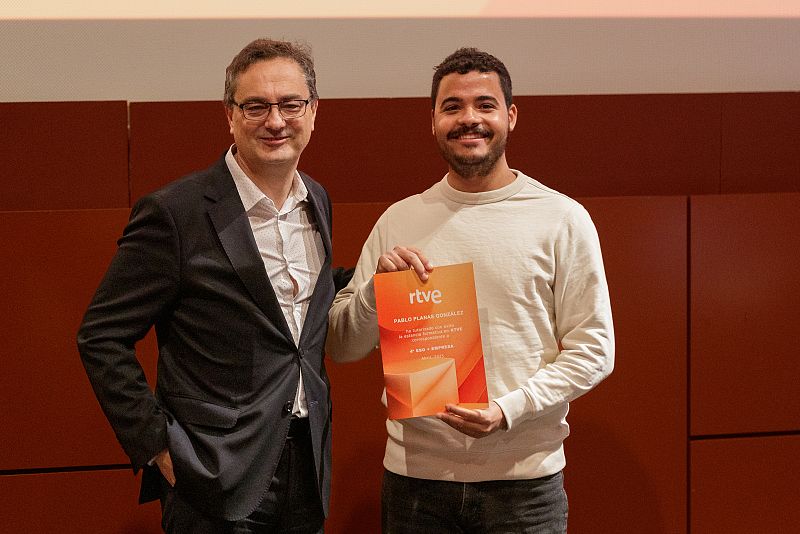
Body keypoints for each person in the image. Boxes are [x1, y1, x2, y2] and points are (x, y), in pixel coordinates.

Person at [326, 47, 614, 533]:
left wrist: (508, 410)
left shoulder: (562, 219)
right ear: (433, 120)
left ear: (511, 116)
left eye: (485, 104)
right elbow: (341, 345)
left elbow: (595, 350)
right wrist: (377, 288)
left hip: (524, 489)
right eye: (452, 107)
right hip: (415, 484)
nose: (469, 120)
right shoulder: (400, 219)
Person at [78, 38, 351, 533]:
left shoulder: (318, 200)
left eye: (291, 104)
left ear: (314, 111)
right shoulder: (174, 213)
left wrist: (373, 278)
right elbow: (100, 335)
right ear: (229, 114)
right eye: (255, 106)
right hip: (212, 476)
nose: (275, 121)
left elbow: (287, 305)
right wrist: (158, 447)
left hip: (307, 465)